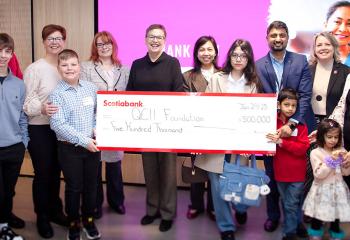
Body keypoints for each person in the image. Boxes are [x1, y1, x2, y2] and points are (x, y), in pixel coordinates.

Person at [195, 39, 260, 240]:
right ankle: (226, 227)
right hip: (217, 142)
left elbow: (257, 114)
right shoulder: (217, 78)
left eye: (243, 55)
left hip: (242, 144)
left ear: (248, 58)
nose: (238, 59)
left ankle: (240, 208)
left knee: (240, 182)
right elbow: (204, 109)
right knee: (217, 185)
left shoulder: (253, 82)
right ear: (229, 56)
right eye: (235, 55)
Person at [255, 20, 312, 236]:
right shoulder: (259, 65)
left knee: (296, 180)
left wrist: (292, 123)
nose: (278, 39)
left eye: (282, 35)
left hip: (295, 128)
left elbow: (305, 95)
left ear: (287, 37)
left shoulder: (300, 60)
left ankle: (295, 220)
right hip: (269, 132)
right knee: (271, 175)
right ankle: (273, 216)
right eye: (273, 35)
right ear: (267, 38)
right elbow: (258, 99)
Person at [126, 24, 184, 232]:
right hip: (145, 129)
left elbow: (179, 92)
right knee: (150, 171)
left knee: (168, 173)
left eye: (159, 37)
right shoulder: (137, 64)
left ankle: (168, 213)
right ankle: (152, 210)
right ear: (145, 39)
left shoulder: (172, 63)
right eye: (151, 36)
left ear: (165, 40)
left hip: (167, 129)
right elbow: (130, 94)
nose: (155, 40)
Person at [49, 49, 101, 240]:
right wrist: (84, 140)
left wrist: (95, 129)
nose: (69, 68)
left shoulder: (90, 88)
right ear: (59, 68)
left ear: (79, 66)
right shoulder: (57, 94)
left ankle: (88, 220)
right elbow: (57, 125)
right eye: (64, 65)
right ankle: (73, 223)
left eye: (73, 64)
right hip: (69, 149)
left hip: (93, 147)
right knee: (74, 187)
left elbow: (98, 114)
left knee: (91, 186)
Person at [23, 24, 68, 238]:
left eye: (58, 38)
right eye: (50, 38)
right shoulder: (35, 69)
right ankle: (42, 216)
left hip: (61, 129)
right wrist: (41, 107)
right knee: (43, 174)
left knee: (57, 172)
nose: (55, 42)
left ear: (64, 41)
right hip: (39, 128)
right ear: (43, 42)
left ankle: (55, 211)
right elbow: (26, 103)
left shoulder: (67, 66)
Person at [81, 31, 129, 218]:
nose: (104, 47)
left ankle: (117, 202)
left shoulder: (123, 69)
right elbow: (84, 94)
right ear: (95, 47)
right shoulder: (86, 67)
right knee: (94, 166)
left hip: (116, 123)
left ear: (113, 45)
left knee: (114, 165)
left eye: (107, 43)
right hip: (93, 122)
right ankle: (95, 204)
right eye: (100, 44)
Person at [304, 32, 350, 206]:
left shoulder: (345, 72)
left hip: (334, 127)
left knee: (333, 169)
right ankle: (311, 209)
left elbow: (344, 103)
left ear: (334, 47)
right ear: (314, 49)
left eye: (327, 44)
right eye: (319, 45)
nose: (323, 48)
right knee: (311, 169)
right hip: (310, 124)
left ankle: (331, 211)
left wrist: (330, 127)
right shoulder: (306, 70)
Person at [182, 35, 218, 221]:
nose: (206, 53)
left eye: (209, 49)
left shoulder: (224, 74)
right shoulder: (188, 76)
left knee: (215, 169)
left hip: (219, 130)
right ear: (196, 53)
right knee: (196, 169)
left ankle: (214, 206)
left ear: (215, 52)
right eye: (202, 49)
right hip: (196, 129)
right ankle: (196, 205)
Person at [266, 88, 310, 240]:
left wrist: (281, 142)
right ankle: (297, 224)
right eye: (287, 105)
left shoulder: (301, 125)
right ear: (279, 105)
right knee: (288, 202)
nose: (290, 108)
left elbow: (303, 148)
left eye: (293, 105)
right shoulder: (271, 121)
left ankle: (289, 232)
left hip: (297, 173)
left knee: (291, 203)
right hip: (280, 172)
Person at [0, 33, 28, 240]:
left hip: (14, 147)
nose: (2, 56)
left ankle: (4, 220)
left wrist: (23, 143)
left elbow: (23, 117)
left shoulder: (19, 84)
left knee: (8, 191)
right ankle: (3, 229)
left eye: (7, 51)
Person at [303, 119, 350, 240]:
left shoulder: (342, 151)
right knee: (318, 214)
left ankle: (335, 231)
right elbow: (319, 174)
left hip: (337, 189)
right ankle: (316, 232)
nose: (333, 140)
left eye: (336, 137)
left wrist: (346, 164)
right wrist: (332, 160)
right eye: (329, 137)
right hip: (321, 190)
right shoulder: (315, 153)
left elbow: (346, 173)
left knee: (336, 215)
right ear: (321, 136)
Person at [324, 1, 350, 66]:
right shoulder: (309, 62)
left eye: (349, 24)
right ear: (325, 25)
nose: (343, 29)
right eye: (337, 22)